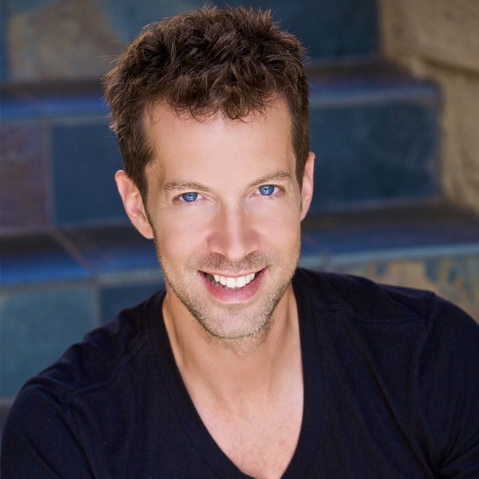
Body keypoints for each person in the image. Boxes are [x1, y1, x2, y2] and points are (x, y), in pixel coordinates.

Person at [2, 6, 479, 479]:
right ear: (137, 206)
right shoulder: (64, 435)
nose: (234, 245)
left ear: (304, 187)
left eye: (264, 190)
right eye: (192, 197)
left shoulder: (433, 358)